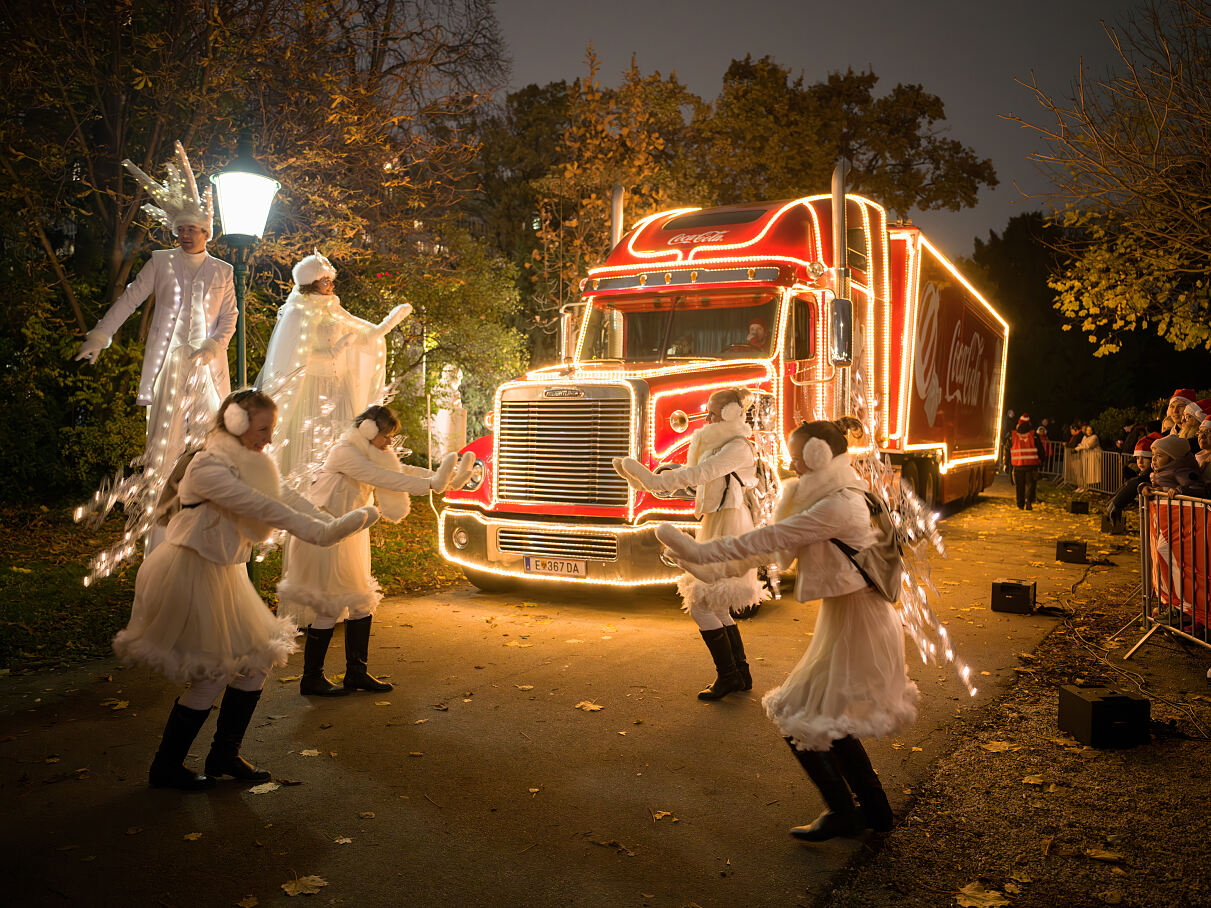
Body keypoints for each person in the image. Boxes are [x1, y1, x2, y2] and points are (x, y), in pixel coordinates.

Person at [657, 420, 917, 841]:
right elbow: (774, 551)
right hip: (850, 619)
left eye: (797, 456)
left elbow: (769, 538)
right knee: (827, 715)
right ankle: (873, 812)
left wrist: (699, 549)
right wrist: (700, 564)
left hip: (860, 624)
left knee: (803, 711)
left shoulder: (839, 505)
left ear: (819, 455)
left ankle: (848, 812)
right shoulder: (834, 495)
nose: (790, 464)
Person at [112, 390, 381, 791]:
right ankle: (165, 767)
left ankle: (224, 754)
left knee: (256, 662)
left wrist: (330, 519)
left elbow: (284, 496)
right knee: (213, 672)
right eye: (263, 428)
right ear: (236, 424)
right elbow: (264, 507)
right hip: (193, 573)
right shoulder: (207, 467)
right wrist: (324, 533)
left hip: (225, 574)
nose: (269, 438)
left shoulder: (250, 463)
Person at [74, 142, 237, 548]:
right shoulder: (160, 262)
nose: (185, 234)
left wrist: (213, 346)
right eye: (180, 228)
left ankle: (209, 527)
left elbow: (230, 318)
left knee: (210, 445)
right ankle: (158, 537)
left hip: (207, 374)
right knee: (163, 450)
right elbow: (129, 300)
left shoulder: (224, 270)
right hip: (169, 370)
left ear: (206, 232)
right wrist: (100, 335)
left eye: (193, 229)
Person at [279, 405, 473, 696]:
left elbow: (399, 470)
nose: (389, 443)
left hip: (349, 534)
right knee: (330, 606)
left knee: (360, 603)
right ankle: (312, 678)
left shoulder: (371, 452)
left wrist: (442, 480)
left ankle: (356, 672)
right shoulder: (344, 452)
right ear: (369, 430)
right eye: (386, 436)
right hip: (325, 536)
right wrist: (429, 485)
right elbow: (383, 478)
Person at [613, 388, 766, 700]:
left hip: (730, 527)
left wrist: (654, 481)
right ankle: (739, 673)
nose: (706, 418)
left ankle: (728, 675)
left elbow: (703, 473)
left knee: (701, 605)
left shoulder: (737, 447)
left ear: (731, 415)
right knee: (718, 604)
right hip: (719, 523)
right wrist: (666, 474)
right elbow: (699, 473)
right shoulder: (724, 444)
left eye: (713, 412)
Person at [256, 251, 411, 483]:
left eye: (331, 280)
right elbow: (296, 357)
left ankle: (340, 491)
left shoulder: (333, 306)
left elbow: (364, 333)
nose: (331, 285)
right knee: (311, 446)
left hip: (339, 387)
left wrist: (389, 323)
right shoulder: (298, 312)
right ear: (311, 283)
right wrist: (333, 353)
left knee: (342, 440)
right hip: (312, 390)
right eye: (325, 280)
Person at [1106, 433, 1161, 524]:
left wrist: (1118, 501)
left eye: (1144, 458)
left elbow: (1137, 481)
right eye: (1137, 458)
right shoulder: (1139, 475)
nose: (1140, 462)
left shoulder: (1153, 474)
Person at [1009, 414, 1045, 510]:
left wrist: (1007, 464)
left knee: (1019, 485)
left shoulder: (1013, 435)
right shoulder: (1034, 435)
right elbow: (1040, 449)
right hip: (1031, 465)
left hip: (1018, 465)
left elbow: (1008, 449)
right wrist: (1041, 461)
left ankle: (1020, 503)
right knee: (1030, 484)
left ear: (1019, 423)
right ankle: (1029, 501)